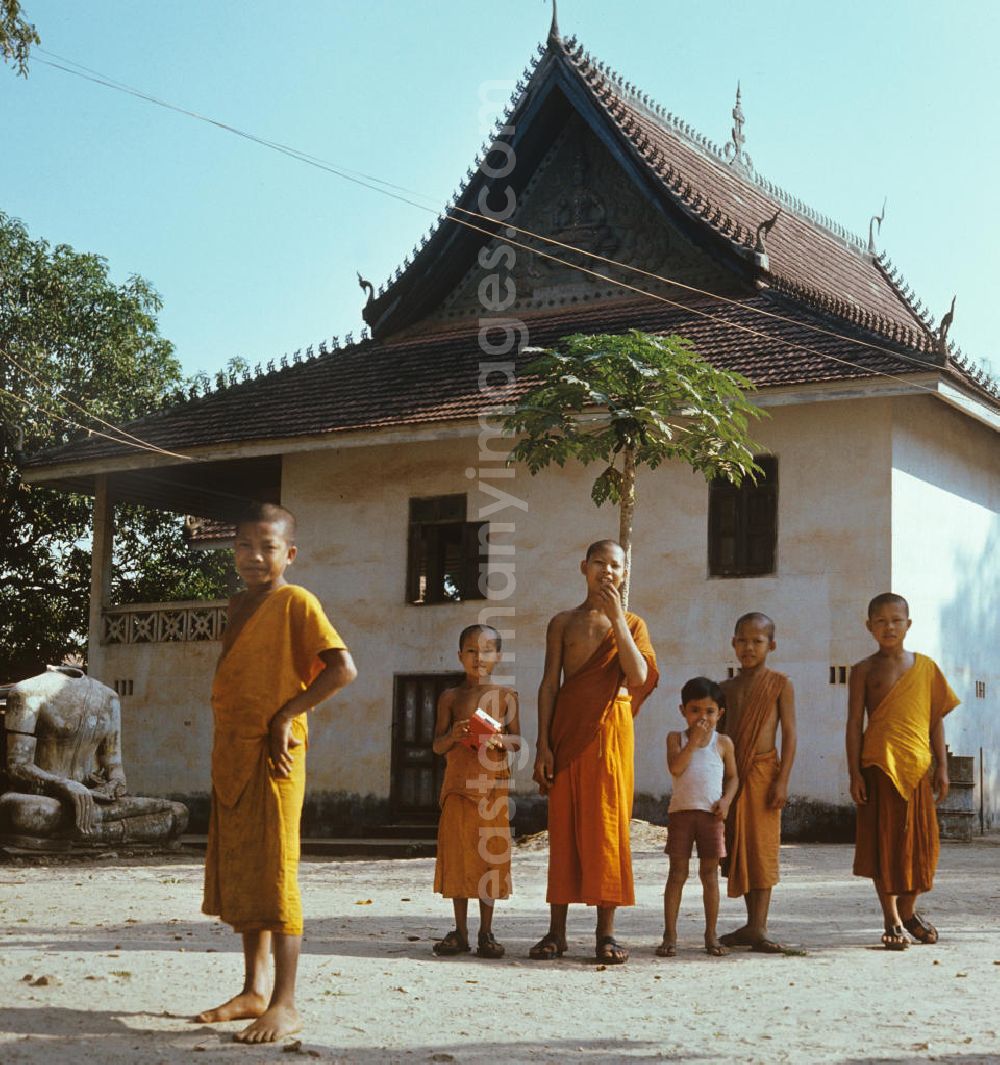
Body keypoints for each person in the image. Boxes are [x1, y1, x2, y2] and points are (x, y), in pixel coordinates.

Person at [195, 502, 357, 1044]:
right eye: (244, 545)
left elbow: (342, 669)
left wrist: (287, 713)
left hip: (275, 755)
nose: (254, 556)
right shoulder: (240, 604)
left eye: (268, 547)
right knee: (247, 871)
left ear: (289, 554)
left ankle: (285, 1003)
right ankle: (253, 989)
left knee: (278, 872)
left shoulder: (296, 601)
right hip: (234, 752)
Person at [530, 539, 658, 964]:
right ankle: (556, 932)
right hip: (567, 730)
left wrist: (618, 618)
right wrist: (543, 744)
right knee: (564, 828)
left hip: (609, 731)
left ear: (625, 573)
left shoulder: (634, 623)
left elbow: (637, 675)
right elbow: (550, 683)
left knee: (607, 827)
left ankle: (606, 934)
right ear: (583, 567)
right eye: (599, 563)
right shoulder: (563, 622)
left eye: (615, 565)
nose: (606, 571)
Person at [847, 592, 958, 950]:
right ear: (869, 627)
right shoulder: (863, 670)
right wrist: (854, 773)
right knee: (885, 846)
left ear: (908, 625)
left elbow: (934, 721)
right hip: (878, 766)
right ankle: (891, 918)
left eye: (896, 620)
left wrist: (942, 766)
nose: (889, 627)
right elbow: (853, 725)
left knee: (922, 847)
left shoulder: (925, 667)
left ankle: (909, 909)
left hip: (916, 769)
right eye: (880, 621)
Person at [1, 666, 188, 849]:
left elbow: (114, 765)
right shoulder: (28, 691)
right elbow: (17, 765)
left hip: (93, 799)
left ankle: (79, 833)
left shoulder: (108, 697)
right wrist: (64, 785)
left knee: (177, 812)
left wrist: (113, 784)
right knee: (34, 812)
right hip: (44, 797)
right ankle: (101, 831)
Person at [430, 624, 520, 959]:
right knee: (458, 857)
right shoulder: (450, 698)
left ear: (497, 656)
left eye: (485, 651)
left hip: (491, 789)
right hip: (457, 788)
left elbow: (516, 739)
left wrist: (498, 739)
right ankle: (461, 931)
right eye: (470, 650)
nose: (477, 658)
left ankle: (486, 931)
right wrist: (454, 736)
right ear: (459, 656)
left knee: (488, 858)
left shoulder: (506, 697)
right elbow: (437, 746)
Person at [718, 612, 797, 953]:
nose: (749, 647)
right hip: (733, 778)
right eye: (743, 641)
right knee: (739, 846)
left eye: (758, 641)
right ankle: (751, 925)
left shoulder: (780, 683)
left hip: (765, 775)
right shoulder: (725, 689)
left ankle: (760, 925)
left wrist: (782, 781)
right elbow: (719, 737)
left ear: (771, 645)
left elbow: (790, 735)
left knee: (762, 848)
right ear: (733, 643)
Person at [658, 677, 738, 958]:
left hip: (711, 817)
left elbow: (733, 778)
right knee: (677, 874)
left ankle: (711, 935)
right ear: (683, 711)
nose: (702, 717)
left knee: (710, 876)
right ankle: (670, 935)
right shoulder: (675, 738)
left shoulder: (723, 743)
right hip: (681, 814)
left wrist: (726, 801)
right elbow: (676, 769)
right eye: (695, 710)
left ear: (720, 714)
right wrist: (692, 743)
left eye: (709, 712)